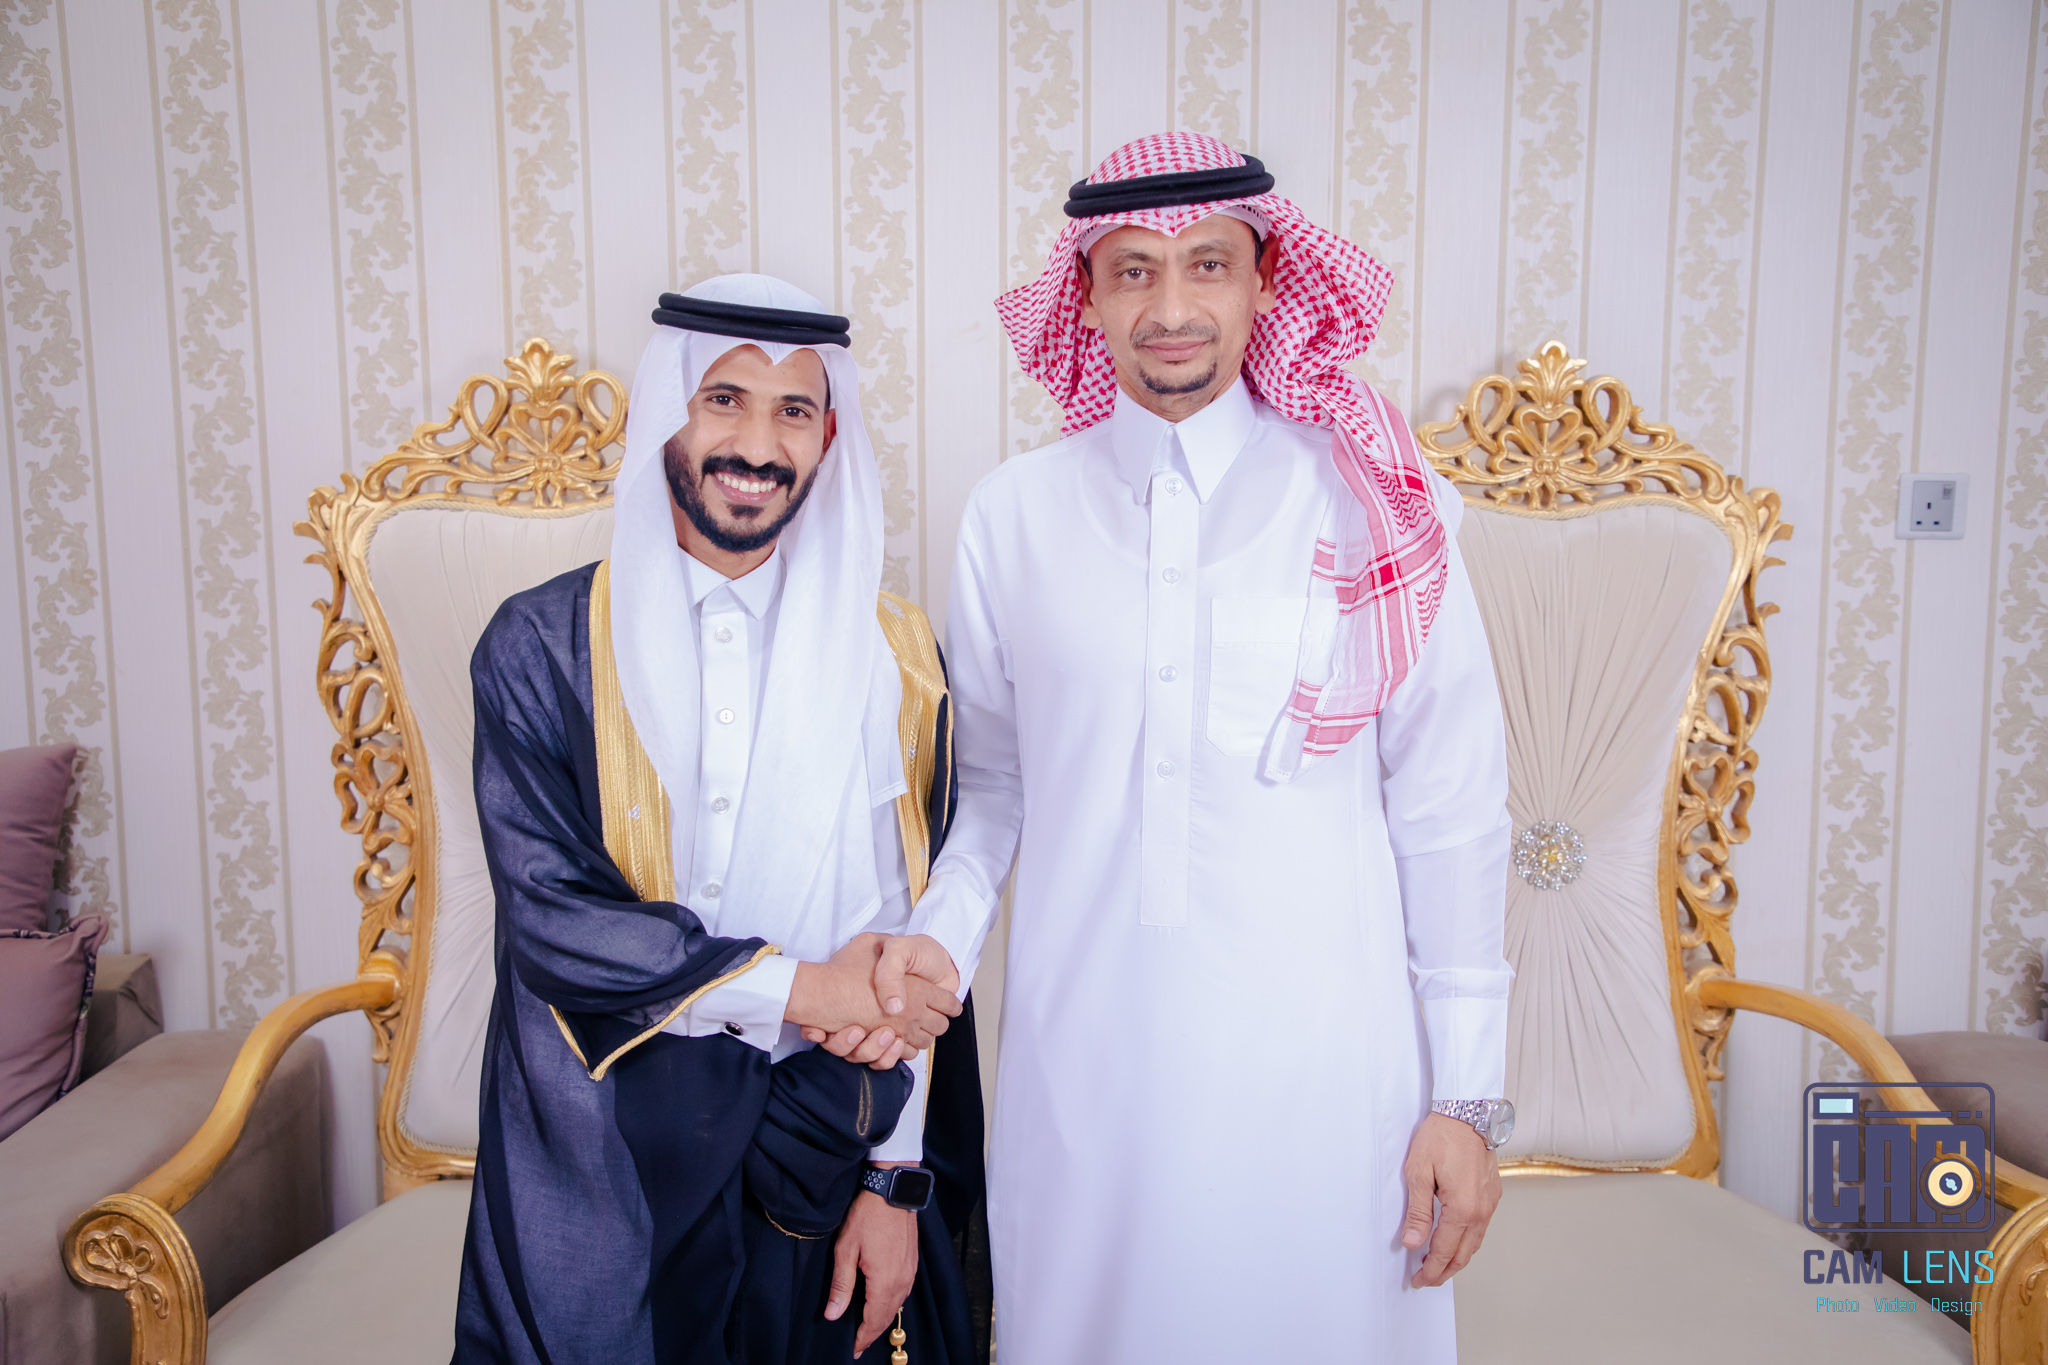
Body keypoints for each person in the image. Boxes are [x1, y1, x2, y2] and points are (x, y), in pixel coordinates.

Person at [871, 132, 1515, 1361]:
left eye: (1207, 264)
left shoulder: (1372, 496)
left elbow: (1450, 811)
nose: (1170, 308)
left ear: (1266, 280)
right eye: (1132, 270)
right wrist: (928, 953)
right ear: (1084, 295)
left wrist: (1465, 1100)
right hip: (1085, 1082)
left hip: (1328, 1093)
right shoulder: (1012, 515)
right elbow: (992, 794)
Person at [453, 274, 988, 1365]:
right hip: (610, 1148)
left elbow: (902, 931)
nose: (756, 444)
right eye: (724, 400)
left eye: (793, 410)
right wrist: (809, 988)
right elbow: (557, 923)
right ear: (669, 417)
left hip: (824, 1141)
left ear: (827, 437)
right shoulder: (541, 646)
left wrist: (894, 1179)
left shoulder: (895, 657)